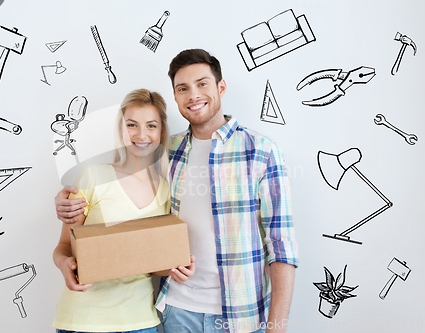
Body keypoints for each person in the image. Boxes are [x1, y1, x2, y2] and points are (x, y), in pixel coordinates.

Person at [55, 50, 298, 333]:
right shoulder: (167, 152)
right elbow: (121, 182)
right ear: (175, 96)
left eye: (202, 84)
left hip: (241, 314)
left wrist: (277, 327)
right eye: (183, 88)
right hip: (176, 311)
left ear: (221, 87)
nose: (193, 95)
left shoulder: (261, 150)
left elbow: (281, 246)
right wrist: (64, 199)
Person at [52, 88, 195, 333]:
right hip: (84, 320)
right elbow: (63, 246)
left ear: (161, 132)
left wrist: (175, 267)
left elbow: (151, 264)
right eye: (132, 125)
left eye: (151, 126)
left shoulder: (166, 191)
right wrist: (65, 265)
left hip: (141, 321)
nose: (141, 135)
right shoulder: (93, 177)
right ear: (121, 129)